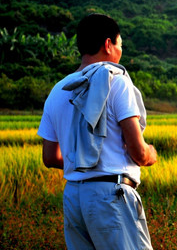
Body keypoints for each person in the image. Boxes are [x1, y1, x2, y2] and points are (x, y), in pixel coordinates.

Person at [38, 13, 158, 250]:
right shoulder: (117, 80)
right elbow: (138, 151)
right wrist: (150, 153)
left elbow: (50, 157)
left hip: (74, 198)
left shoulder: (57, 90)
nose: (120, 51)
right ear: (107, 44)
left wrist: (83, 159)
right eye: (120, 45)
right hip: (111, 196)